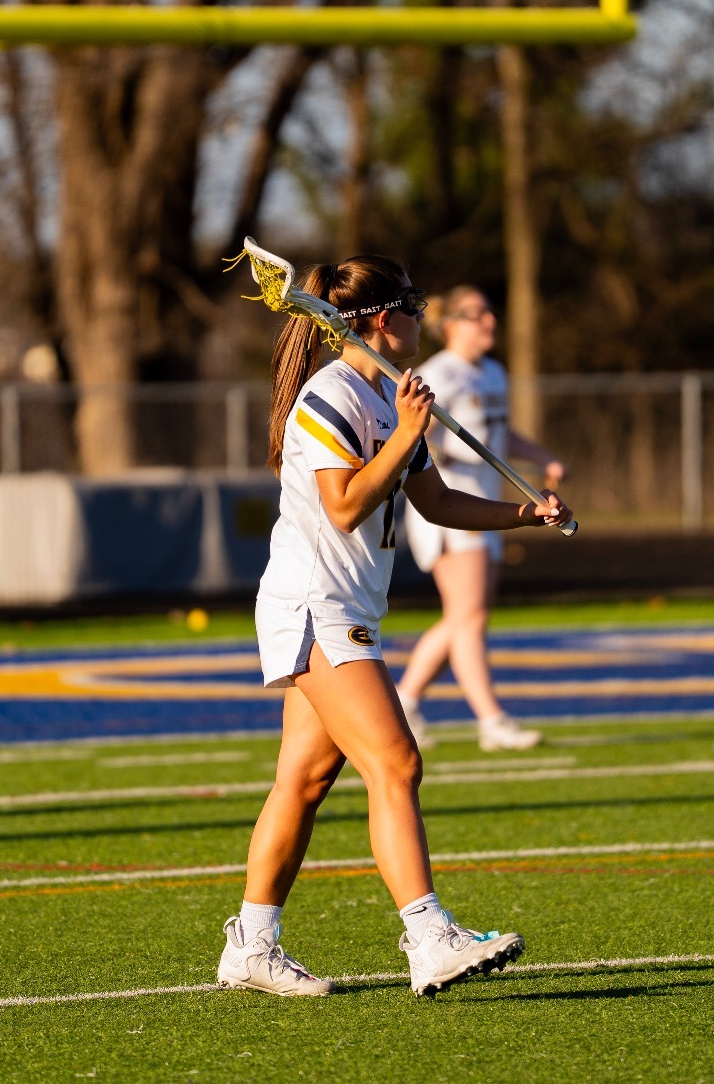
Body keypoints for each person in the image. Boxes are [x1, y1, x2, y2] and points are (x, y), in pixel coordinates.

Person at [218, 255, 572, 999]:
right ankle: (429, 935)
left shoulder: (385, 393)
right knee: (397, 761)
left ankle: (250, 943)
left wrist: (524, 513)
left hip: (348, 605)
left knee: (304, 781)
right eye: (413, 304)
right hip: (315, 603)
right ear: (384, 319)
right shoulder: (333, 394)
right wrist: (405, 432)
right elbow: (346, 505)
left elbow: (436, 502)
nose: (422, 316)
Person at [397, 286, 565, 752]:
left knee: (465, 617)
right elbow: (414, 435)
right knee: (469, 618)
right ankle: (491, 720)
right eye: (477, 314)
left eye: (490, 312)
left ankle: (405, 700)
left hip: (489, 508)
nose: (490, 321)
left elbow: (499, 434)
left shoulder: (493, 372)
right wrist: (434, 450)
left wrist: (544, 459)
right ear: (451, 323)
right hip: (450, 509)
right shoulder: (439, 374)